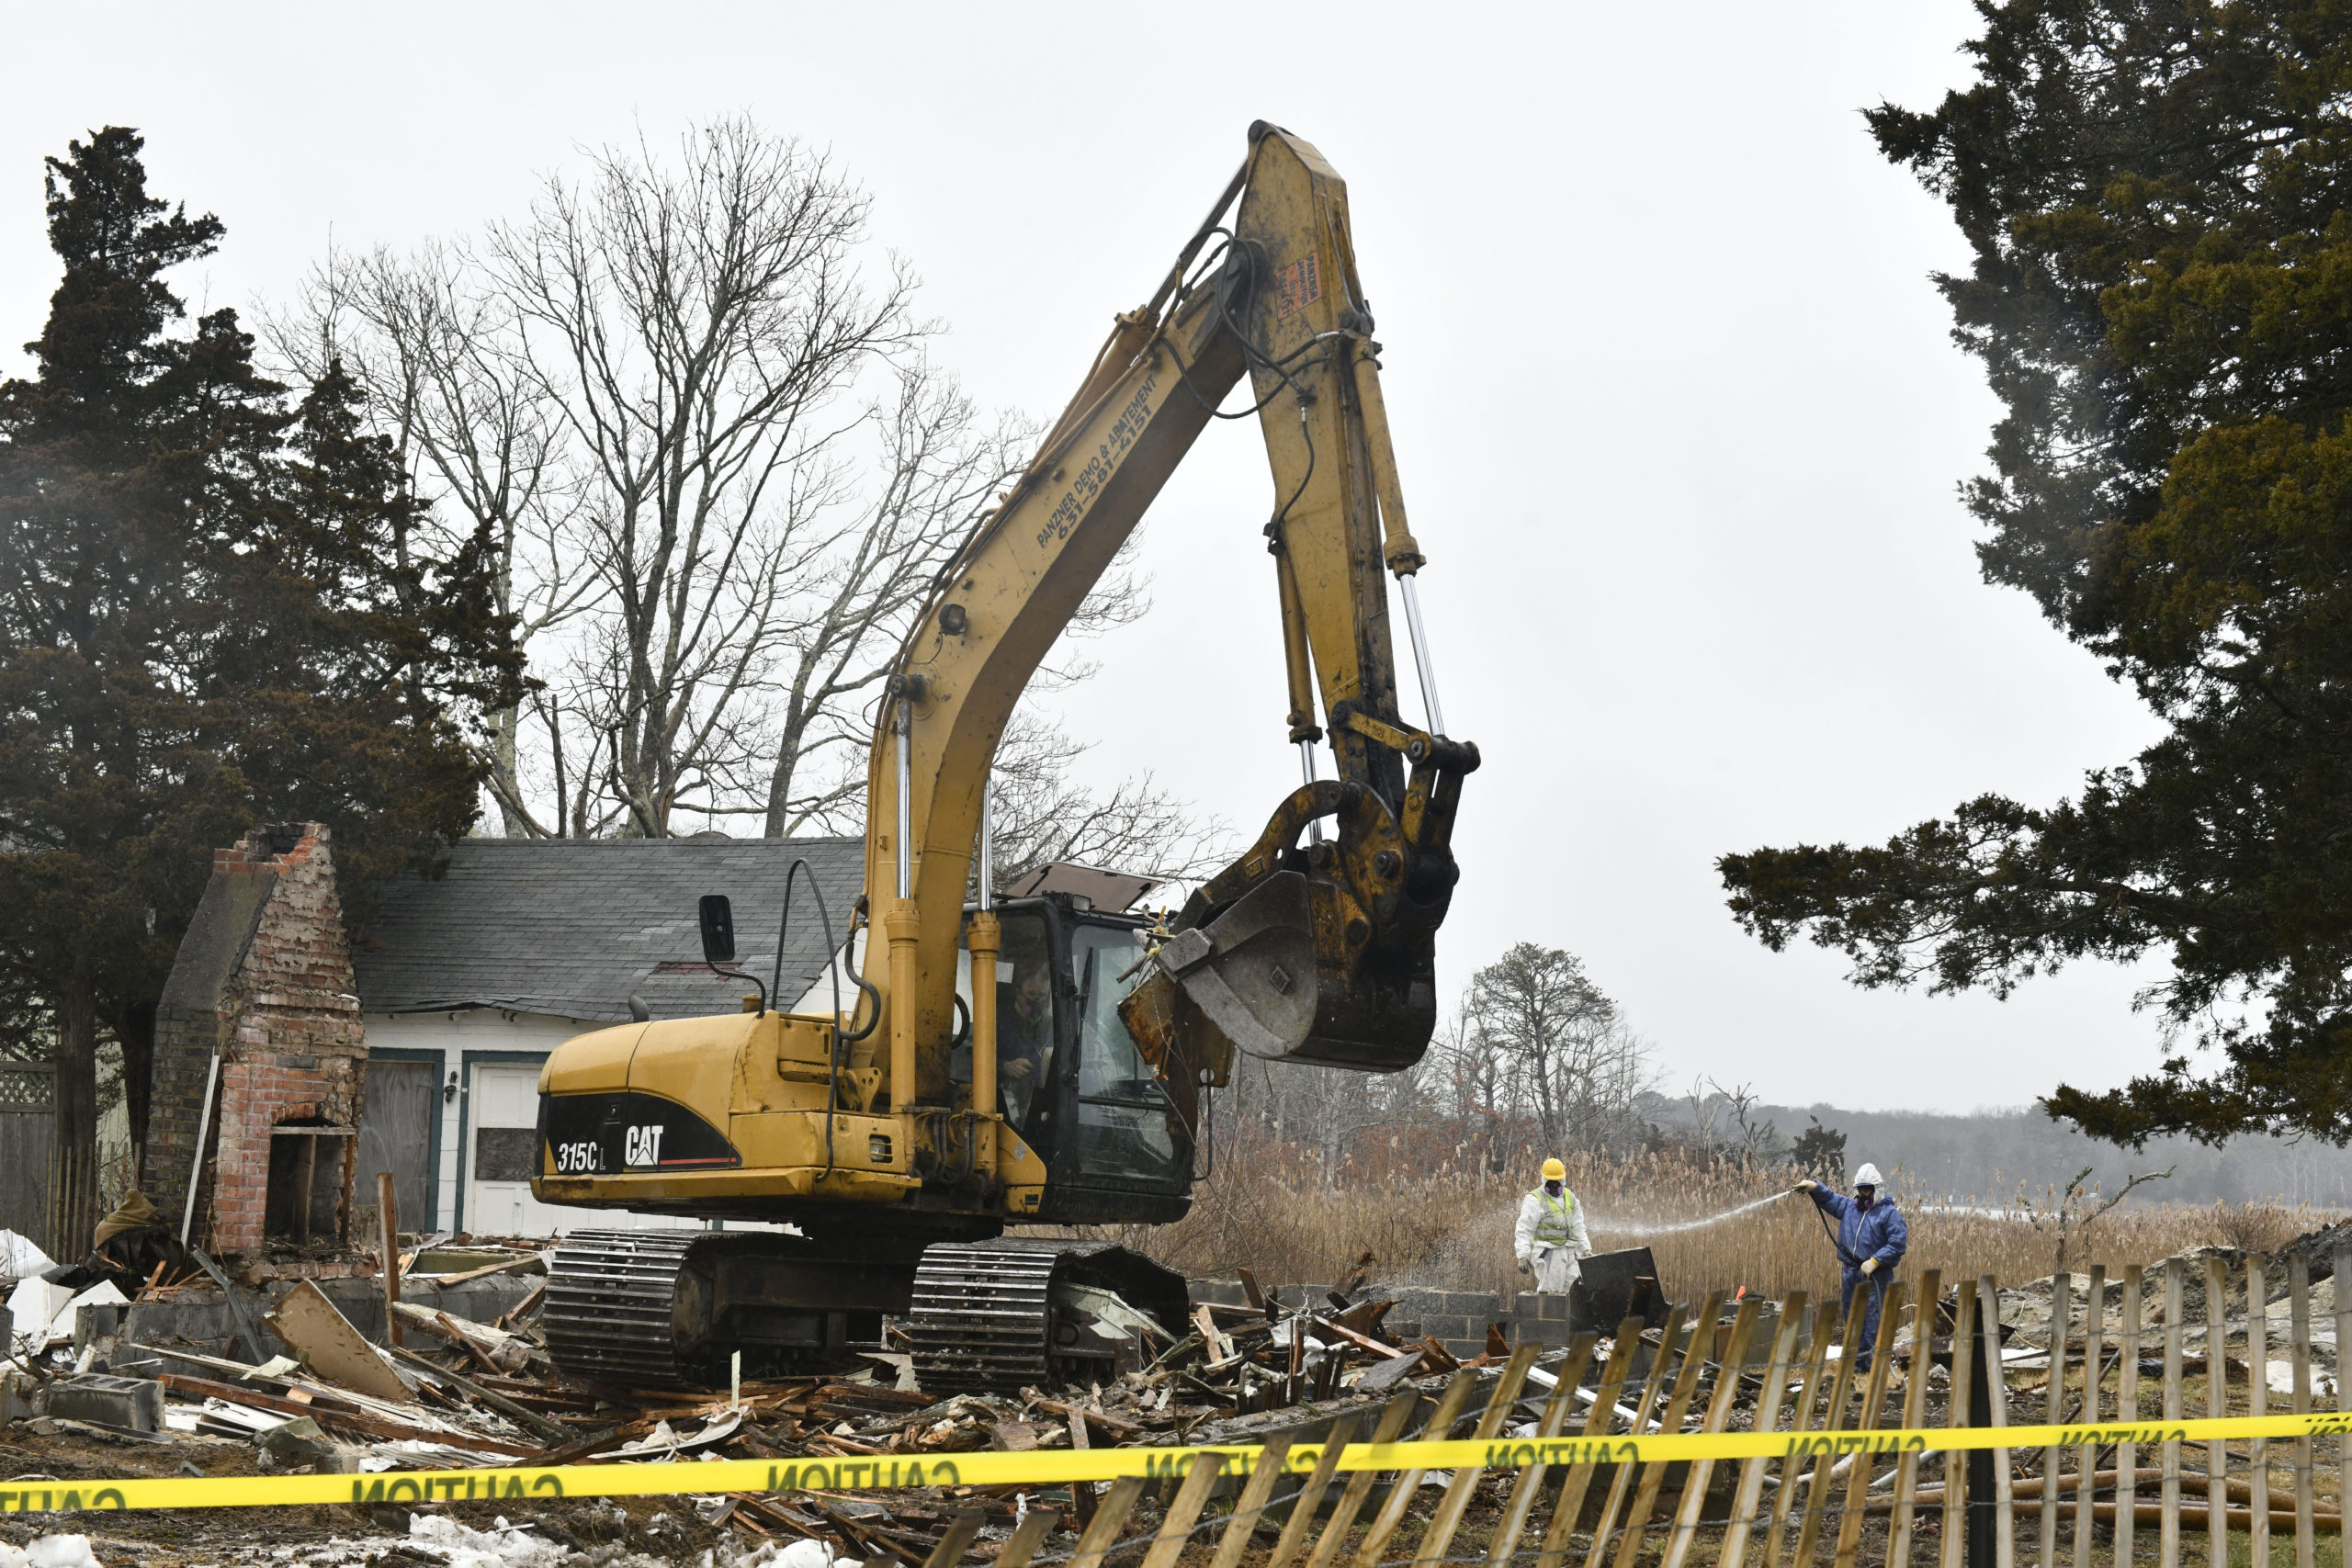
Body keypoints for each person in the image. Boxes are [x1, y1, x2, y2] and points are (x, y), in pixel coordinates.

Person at [1797, 1162, 1907, 1370]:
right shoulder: (1850, 1208)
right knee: (1852, 1318)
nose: (1864, 1194)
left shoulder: (1888, 1214)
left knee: (1872, 1320)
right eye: (1861, 1189)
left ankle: (1870, 1366)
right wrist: (1814, 1187)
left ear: (1877, 1190)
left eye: (1868, 1189)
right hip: (1850, 1273)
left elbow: (1897, 1243)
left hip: (1875, 1276)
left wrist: (1875, 1260)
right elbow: (1831, 1200)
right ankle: (1856, 1364)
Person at [1514, 1157, 1592, 1294]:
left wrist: (1586, 1249)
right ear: (1544, 1179)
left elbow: (1579, 1227)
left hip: (1571, 1253)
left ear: (1563, 1180)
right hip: (1548, 1254)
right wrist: (1523, 1255)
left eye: (1557, 1181)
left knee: (1574, 1292)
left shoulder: (1570, 1197)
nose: (1554, 1185)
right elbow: (1524, 1229)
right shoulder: (1535, 1199)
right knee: (1551, 1295)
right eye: (1551, 1181)